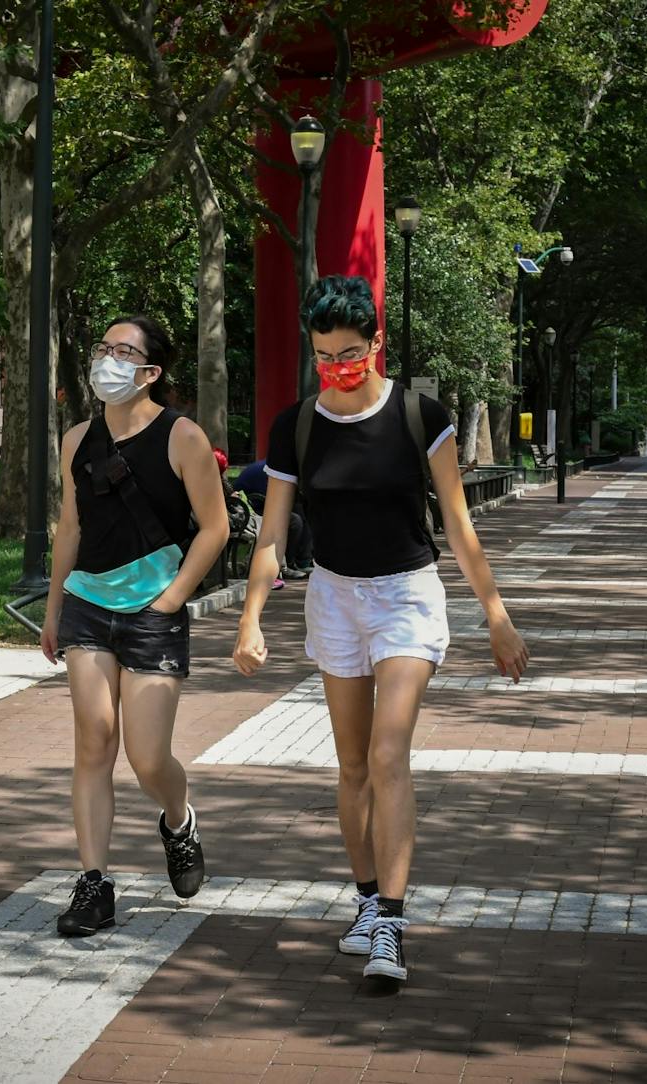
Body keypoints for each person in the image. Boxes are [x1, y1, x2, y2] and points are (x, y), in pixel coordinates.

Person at [233, 276, 529, 983]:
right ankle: (366, 901)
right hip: (334, 597)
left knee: (390, 751)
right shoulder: (295, 425)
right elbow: (272, 531)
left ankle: (392, 922)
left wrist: (496, 615)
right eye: (324, 354)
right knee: (354, 764)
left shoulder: (419, 415)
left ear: (375, 344)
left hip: (406, 595)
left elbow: (457, 523)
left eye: (350, 352)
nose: (337, 366)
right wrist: (249, 616)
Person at [40, 315, 227, 937]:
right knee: (94, 740)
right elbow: (70, 528)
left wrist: (172, 600)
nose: (108, 361)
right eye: (104, 348)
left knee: (148, 759)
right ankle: (94, 883)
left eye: (125, 352)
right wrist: (54, 608)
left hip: (154, 612)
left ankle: (178, 819)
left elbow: (215, 527)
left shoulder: (182, 437)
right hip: (89, 606)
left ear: (151, 372)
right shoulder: (76, 439)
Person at [231, 457, 313, 577]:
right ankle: (288, 564)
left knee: (302, 511)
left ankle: (303, 560)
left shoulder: (277, 467)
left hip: (258, 503)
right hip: (249, 508)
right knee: (295, 521)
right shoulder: (274, 472)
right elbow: (276, 499)